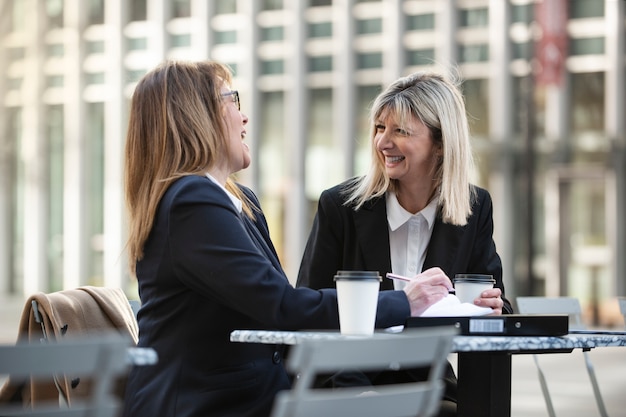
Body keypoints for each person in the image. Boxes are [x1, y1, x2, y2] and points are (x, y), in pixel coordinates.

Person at [121, 60, 455, 417]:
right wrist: (403, 302)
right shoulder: (191, 201)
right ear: (195, 116)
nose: (243, 116)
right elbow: (282, 306)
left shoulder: (237, 201)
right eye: (232, 100)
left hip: (251, 400)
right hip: (201, 405)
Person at [296, 70, 514, 416]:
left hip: (430, 384)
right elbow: (308, 311)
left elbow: (496, 302)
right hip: (345, 381)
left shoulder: (474, 208)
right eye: (380, 128)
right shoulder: (339, 206)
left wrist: (495, 305)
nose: (383, 142)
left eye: (400, 131)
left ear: (440, 144)